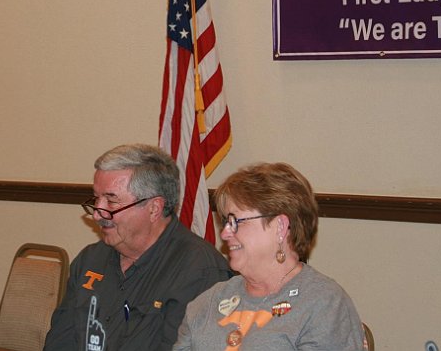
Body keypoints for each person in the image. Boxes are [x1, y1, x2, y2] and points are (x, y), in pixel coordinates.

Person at [44, 143, 231, 351]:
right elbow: (59, 342)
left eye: (111, 201)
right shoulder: (90, 259)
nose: (97, 213)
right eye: (96, 199)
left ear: (154, 208)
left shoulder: (199, 272)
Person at [173, 162, 367, 351]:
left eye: (236, 221)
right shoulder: (210, 301)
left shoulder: (323, 304)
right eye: (225, 222)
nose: (224, 233)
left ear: (280, 227)